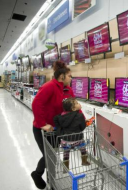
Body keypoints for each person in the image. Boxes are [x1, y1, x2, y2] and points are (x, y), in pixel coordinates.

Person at [31, 61, 74, 189]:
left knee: (53, 157)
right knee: (49, 155)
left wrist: (81, 120)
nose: (71, 78)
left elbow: (74, 107)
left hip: (56, 129)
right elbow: (36, 104)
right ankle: (37, 174)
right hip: (42, 129)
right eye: (70, 76)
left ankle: (51, 182)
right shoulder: (49, 87)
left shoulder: (68, 90)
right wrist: (42, 124)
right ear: (62, 77)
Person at [54, 98, 90, 173]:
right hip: (78, 140)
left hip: (66, 141)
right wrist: (84, 122)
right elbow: (82, 127)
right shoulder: (79, 116)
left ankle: (66, 167)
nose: (79, 104)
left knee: (66, 153)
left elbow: (57, 122)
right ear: (73, 108)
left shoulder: (61, 117)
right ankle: (84, 161)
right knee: (83, 147)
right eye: (77, 103)